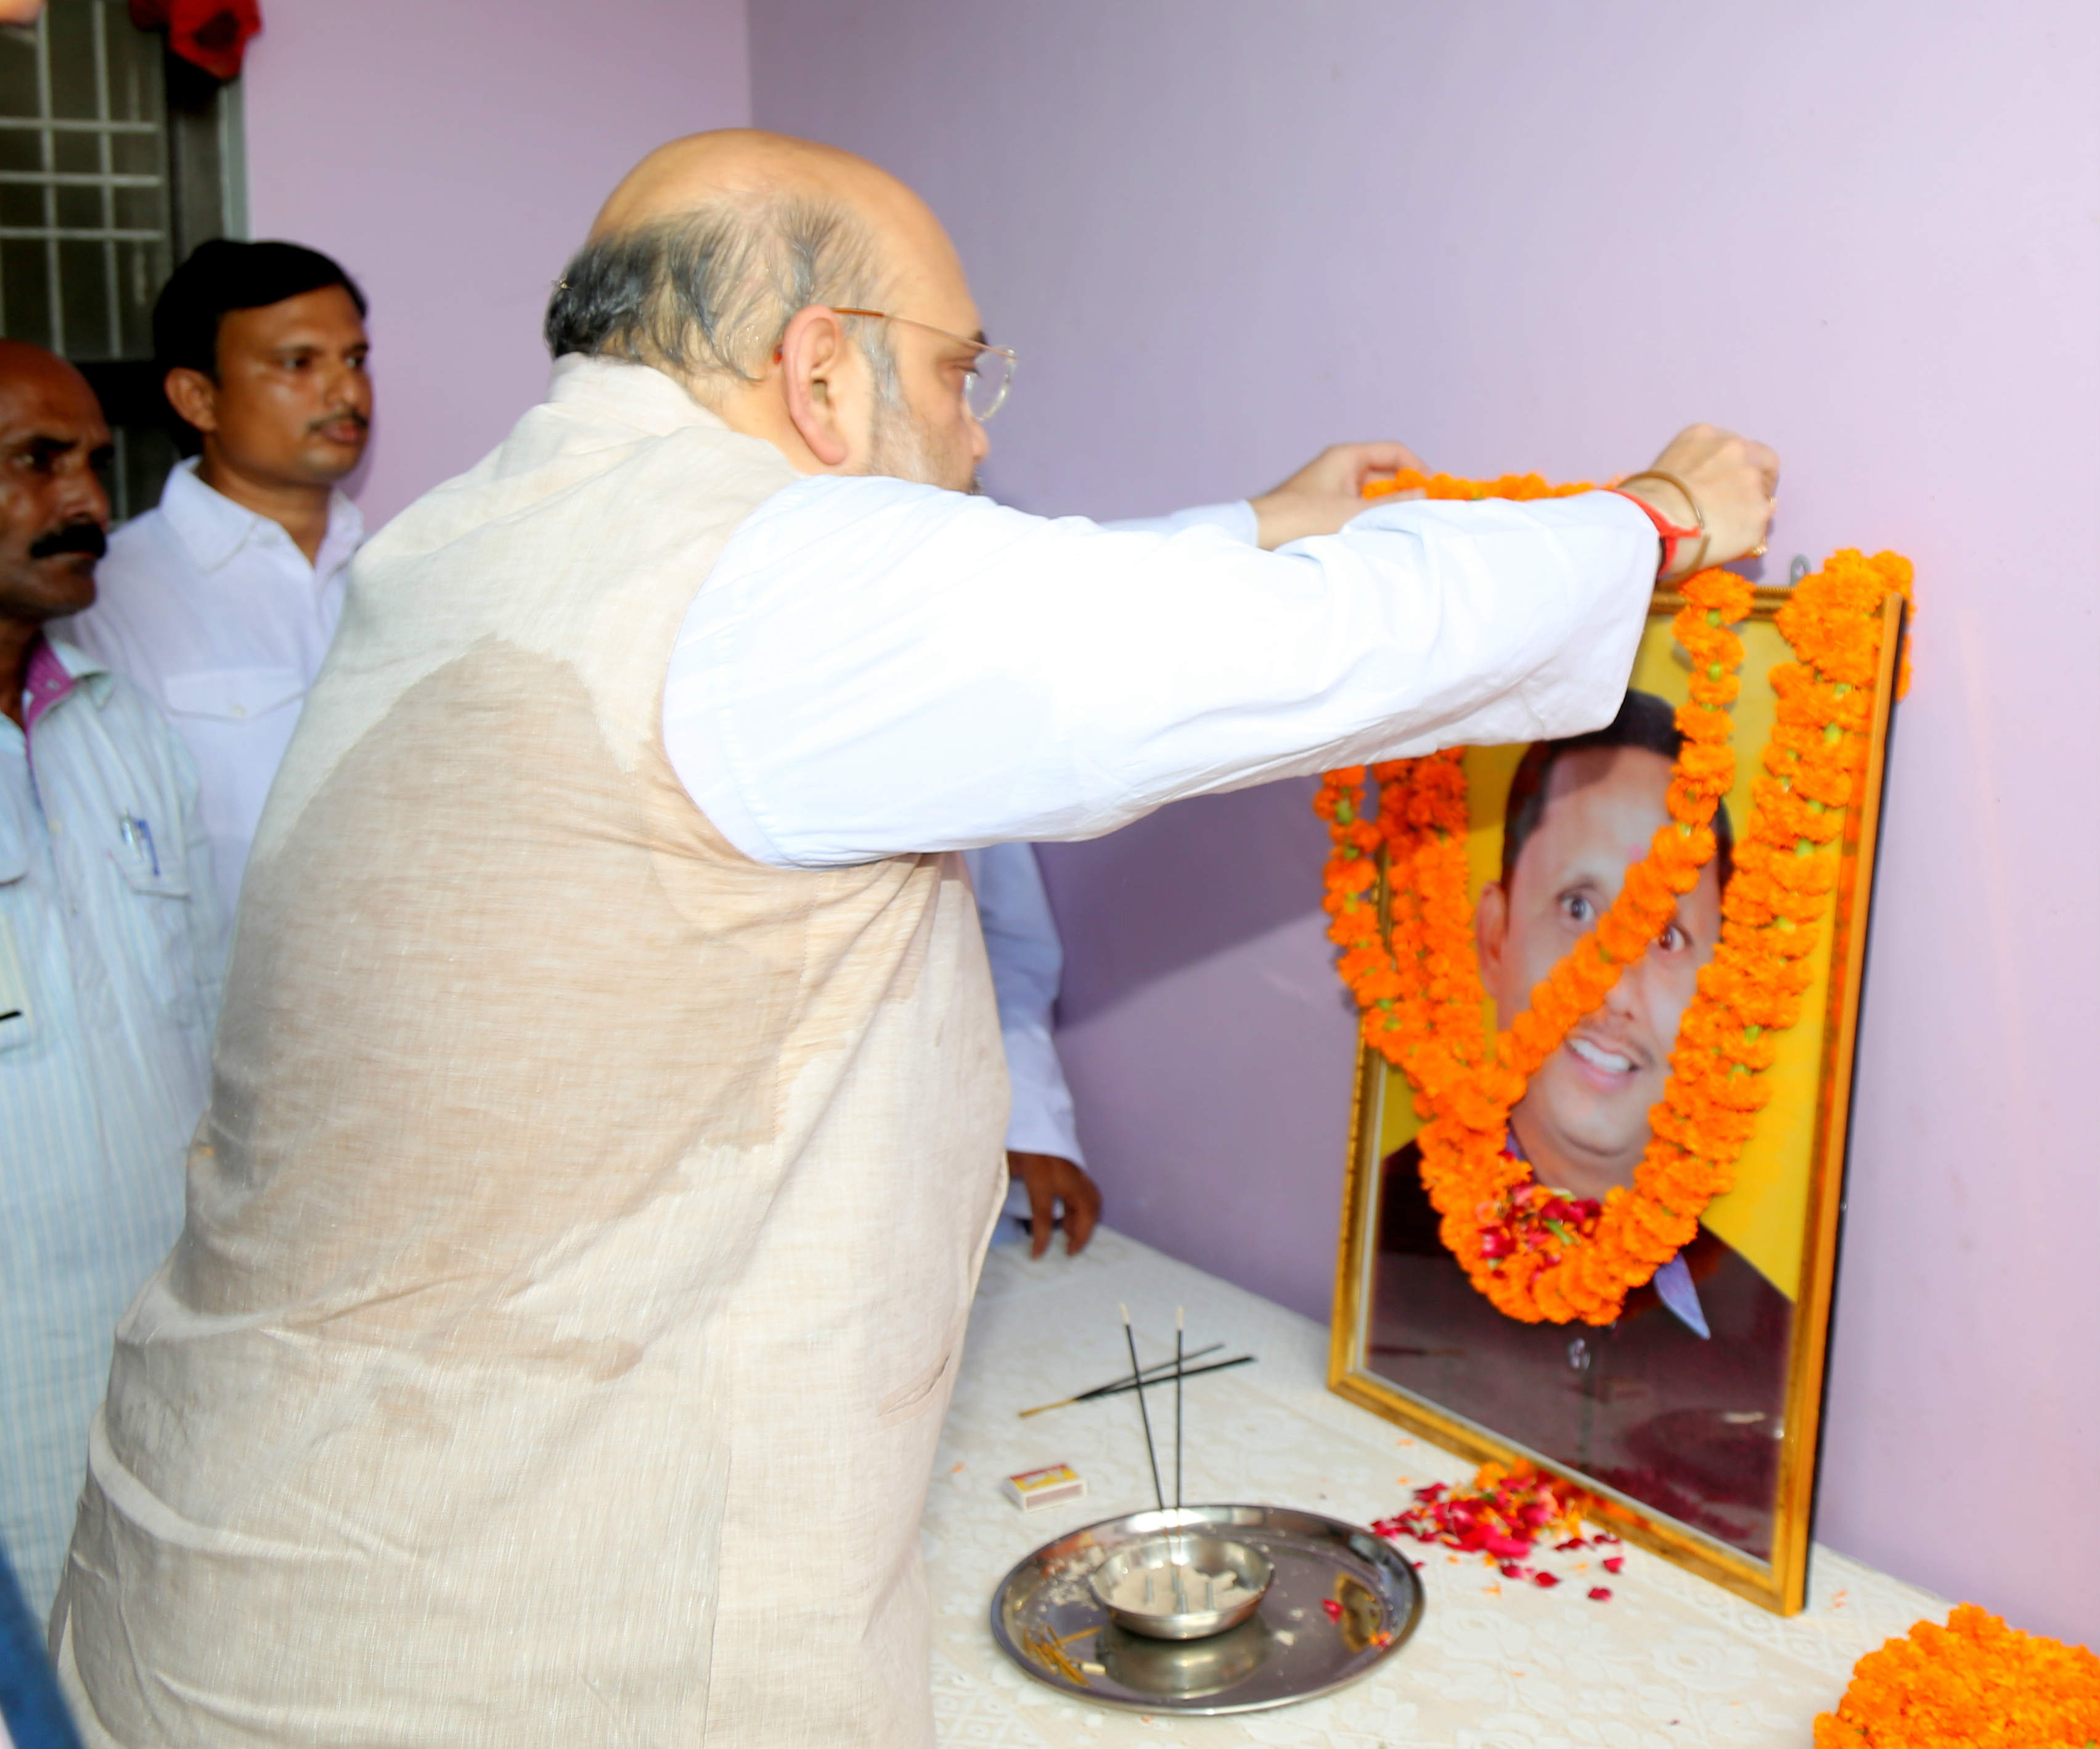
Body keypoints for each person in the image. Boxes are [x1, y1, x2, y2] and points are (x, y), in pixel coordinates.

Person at [55, 130, 1776, 1747]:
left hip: (221, 1570)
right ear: (817, 373)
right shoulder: (758, 573)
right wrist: (1641, 523)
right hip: (492, 1638)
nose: (971, 433)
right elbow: (1167, 651)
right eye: (959, 373)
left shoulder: (494, 527)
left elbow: (971, 618)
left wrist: (1251, 525)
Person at [974, 449, 1426, 1258]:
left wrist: (1030, 1120)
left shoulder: (977, 709)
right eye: (955, 373)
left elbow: (1001, 951)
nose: (979, 436)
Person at [1375, 690, 1792, 1556]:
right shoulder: (1384, 1245)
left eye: (1666, 935)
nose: (1607, 988)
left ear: (1723, 987)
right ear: (1492, 938)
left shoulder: (1768, 1335)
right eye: (1577, 910)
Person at [0, 342, 220, 1619]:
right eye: (36, 462)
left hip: (157, 1377)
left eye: (93, 461)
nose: (86, 498)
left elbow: (205, 1040)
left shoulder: (125, 729)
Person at [60, 240, 370, 922]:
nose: (345, 391)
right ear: (197, 397)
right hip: (209, 1019)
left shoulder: (409, 572)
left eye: (354, 359)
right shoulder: (104, 597)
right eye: (298, 363)